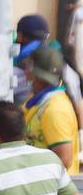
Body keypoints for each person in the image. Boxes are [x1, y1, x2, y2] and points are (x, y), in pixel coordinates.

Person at [22, 43, 79, 174]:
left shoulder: (55, 109)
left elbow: (64, 160)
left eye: (28, 67)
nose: (24, 72)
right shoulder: (36, 99)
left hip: (52, 191)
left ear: (36, 74)